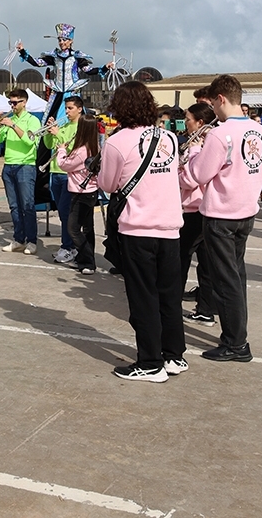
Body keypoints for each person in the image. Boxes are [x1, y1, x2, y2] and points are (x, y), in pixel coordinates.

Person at [95, 82, 184, 382]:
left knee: (143, 297)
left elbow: (107, 185)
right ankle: (174, 355)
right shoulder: (169, 137)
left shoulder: (117, 142)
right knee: (169, 295)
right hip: (170, 225)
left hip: (139, 228)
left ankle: (150, 362)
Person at [183, 75, 262, 363]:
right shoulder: (258, 129)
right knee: (236, 276)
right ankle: (237, 335)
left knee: (226, 280)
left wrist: (194, 152)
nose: (211, 112)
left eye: (211, 104)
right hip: (245, 211)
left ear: (220, 99)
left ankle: (235, 342)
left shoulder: (220, 133)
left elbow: (200, 174)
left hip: (221, 214)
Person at [178, 102, 220, 326]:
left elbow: (192, 178)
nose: (186, 124)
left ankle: (173, 303)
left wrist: (180, 170)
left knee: (181, 258)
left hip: (195, 208)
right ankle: (205, 309)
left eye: (188, 119)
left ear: (200, 122)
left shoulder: (203, 144)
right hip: (207, 208)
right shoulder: (212, 142)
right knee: (206, 263)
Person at [15, 24, 110, 121]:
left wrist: (105, 68)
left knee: (74, 118)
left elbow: (88, 70)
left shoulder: (76, 57)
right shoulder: (54, 56)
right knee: (50, 118)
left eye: (64, 40)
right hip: (57, 92)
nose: (61, 42)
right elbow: (37, 63)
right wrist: (22, 52)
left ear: (71, 41)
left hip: (71, 92)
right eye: (59, 40)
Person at [0, 89, 41, 254]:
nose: (12, 106)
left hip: (25, 166)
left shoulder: (32, 121)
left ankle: (32, 240)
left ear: (24, 102)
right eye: (10, 103)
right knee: (14, 206)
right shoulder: (9, 119)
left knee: (27, 205)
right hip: (8, 166)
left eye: (15, 102)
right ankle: (19, 239)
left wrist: (13, 125)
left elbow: (30, 141)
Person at [55, 114, 102, 275]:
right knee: (87, 228)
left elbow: (64, 164)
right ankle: (88, 261)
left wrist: (61, 150)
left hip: (81, 193)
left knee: (73, 229)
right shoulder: (95, 145)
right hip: (91, 191)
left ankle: (87, 260)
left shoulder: (82, 150)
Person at [44, 96, 86, 263]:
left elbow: (73, 148)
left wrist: (57, 133)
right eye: (66, 108)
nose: (67, 112)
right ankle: (69, 246)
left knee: (66, 212)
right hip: (55, 172)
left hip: (69, 174)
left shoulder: (81, 127)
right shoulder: (64, 126)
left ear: (79, 109)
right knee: (62, 213)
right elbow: (49, 145)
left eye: (70, 108)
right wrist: (49, 131)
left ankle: (68, 246)